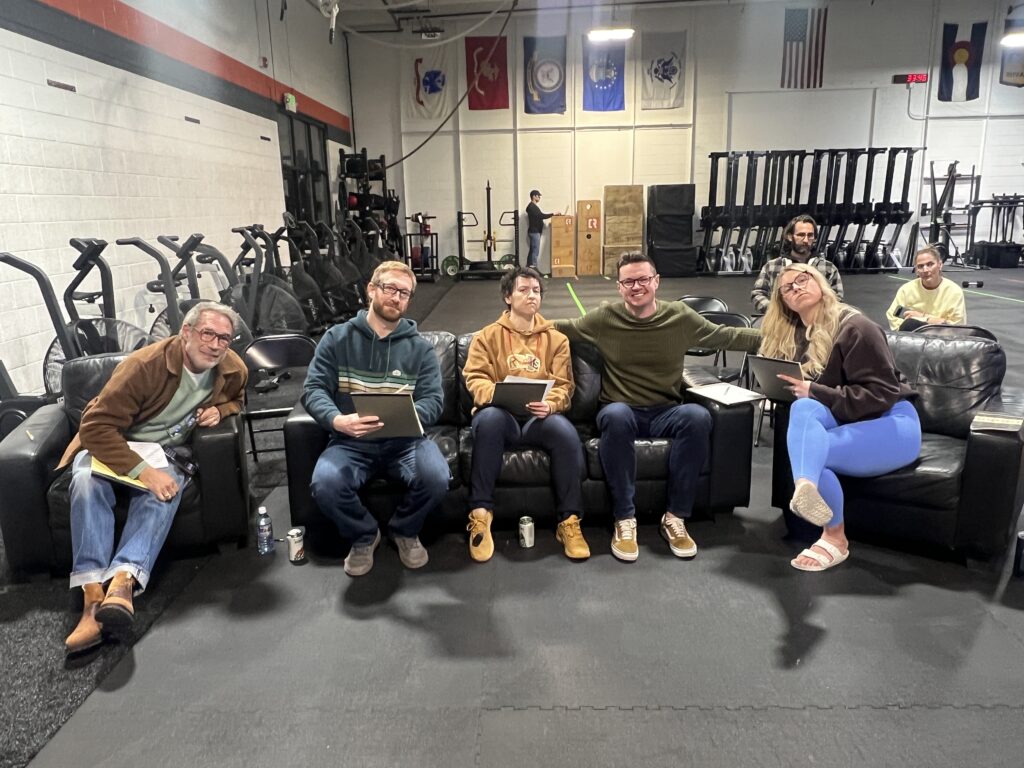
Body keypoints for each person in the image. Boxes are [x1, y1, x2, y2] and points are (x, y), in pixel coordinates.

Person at [62, 301, 247, 655]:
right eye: (208, 334)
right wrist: (142, 472)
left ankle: (123, 583)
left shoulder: (232, 367)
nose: (216, 345)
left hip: (165, 451)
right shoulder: (144, 365)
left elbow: (239, 399)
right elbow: (95, 427)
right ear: (186, 332)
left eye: (224, 338)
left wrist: (220, 409)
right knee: (85, 483)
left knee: (166, 489)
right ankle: (92, 599)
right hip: (113, 443)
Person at [555, 252, 761, 562]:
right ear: (619, 286)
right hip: (621, 409)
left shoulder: (679, 317)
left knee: (697, 416)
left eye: (643, 279)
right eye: (628, 281)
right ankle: (624, 519)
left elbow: (726, 336)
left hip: (666, 411)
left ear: (656, 281)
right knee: (615, 415)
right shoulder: (605, 318)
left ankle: (675, 518)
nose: (636, 286)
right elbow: (561, 327)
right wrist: (509, 326)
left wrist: (783, 337)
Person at [761, 264, 922, 572]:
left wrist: (815, 391)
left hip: (892, 421)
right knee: (802, 409)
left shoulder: (857, 327)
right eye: (787, 288)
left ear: (820, 282)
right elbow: (814, 399)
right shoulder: (797, 336)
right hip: (850, 420)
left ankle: (833, 535)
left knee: (813, 452)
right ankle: (808, 491)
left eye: (802, 279)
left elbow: (882, 395)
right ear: (784, 302)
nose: (796, 287)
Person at [304, 260, 449, 577]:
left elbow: (433, 400)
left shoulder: (421, 349)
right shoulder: (336, 338)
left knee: (437, 477)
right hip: (351, 441)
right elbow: (313, 389)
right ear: (371, 289)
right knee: (325, 484)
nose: (396, 297)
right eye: (390, 288)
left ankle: (404, 530)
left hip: (406, 442)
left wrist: (406, 417)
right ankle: (365, 535)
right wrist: (337, 420)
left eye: (404, 293)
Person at [462, 266, 588, 562]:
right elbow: (475, 378)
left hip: (538, 419)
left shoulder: (557, 340)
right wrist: (496, 395)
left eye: (536, 291)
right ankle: (480, 514)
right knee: (489, 420)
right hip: (500, 416)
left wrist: (551, 405)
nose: (531, 295)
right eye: (523, 290)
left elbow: (564, 386)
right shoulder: (486, 336)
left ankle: (569, 521)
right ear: (508, 296)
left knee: (565, 432)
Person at [750, 215, 844, 314]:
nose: (806, 240)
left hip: (817, 321)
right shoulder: (772, 266)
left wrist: (813, 312)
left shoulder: (828, 268)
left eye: (810, 235)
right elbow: (757, 294)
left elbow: (837, 299)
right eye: (801, 235)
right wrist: (777, 311)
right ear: (790, 236)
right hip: (780, 320)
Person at [885, 245, 966, 331]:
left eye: (930, 264)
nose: (925, 270)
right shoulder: (906, 290)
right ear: (916, 270)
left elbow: (957, 327)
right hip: (912, 335)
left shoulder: (954, 292)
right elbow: (893, 317)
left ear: (940, 265)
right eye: (920, 266)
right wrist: (933, 321)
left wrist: (922, 317)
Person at [525, 189, 553, 270]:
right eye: (538, 196)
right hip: (534, 232)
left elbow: (539, 216)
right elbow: (541, 216)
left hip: (534, 232)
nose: (539, 198)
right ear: (534, 196)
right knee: (535, 251)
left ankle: (528, 267)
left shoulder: (533, 207)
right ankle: (534, 268)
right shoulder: (532, 207)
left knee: (532, 250)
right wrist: (553, 214)